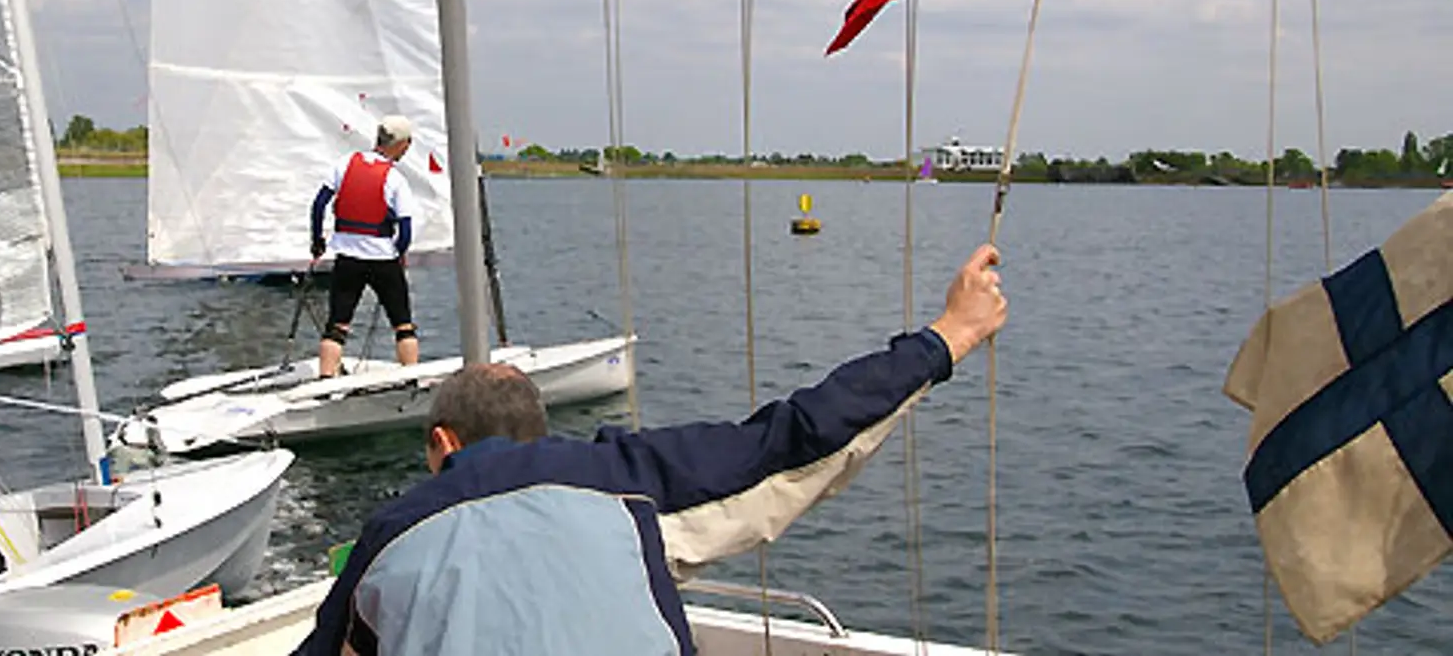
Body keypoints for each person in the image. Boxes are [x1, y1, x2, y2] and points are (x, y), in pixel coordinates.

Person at [292, 244, 1010, 656]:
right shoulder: (627, 485)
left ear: (442, 444)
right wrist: (950, 333)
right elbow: (801, 434)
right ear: (541, 433)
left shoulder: (390, 536)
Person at [309, 114, 420, 378]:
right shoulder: (395, 179)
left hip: (347, 257)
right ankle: (412, 380)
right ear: (402, 144)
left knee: (337, 324)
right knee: (403, 324)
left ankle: (325, 382)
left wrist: (318, 241)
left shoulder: (346, 163)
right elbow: (405, 230)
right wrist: (399, 253)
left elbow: (318, 205)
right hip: (383, 259)